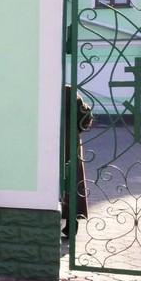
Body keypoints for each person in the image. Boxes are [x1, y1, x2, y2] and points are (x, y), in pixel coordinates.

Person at [61, 85, 93, 238]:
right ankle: (71, 223)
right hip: (70, 142)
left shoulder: (47, 90)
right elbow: (86, 117)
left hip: (52, 141)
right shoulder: (70, 92)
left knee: (56, 179)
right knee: (73, 179)